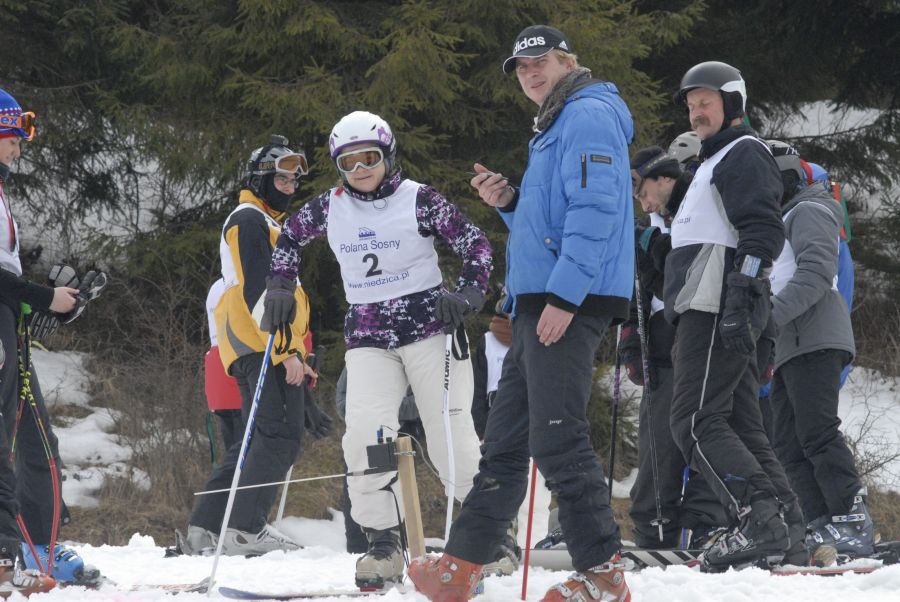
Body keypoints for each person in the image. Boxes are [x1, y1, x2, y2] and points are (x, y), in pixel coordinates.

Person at [409, 25, 635, 602]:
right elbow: (551, 224)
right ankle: (462, 565)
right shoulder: (553, 124)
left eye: (542, 63)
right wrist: (509, 202)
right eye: (522, 68)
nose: (531, 75)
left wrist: (565, 298)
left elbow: (597, 210)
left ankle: (605, 575)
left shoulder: (587, 115)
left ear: (568, 62)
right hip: (537, 300)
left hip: (564, 301)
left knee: (557, 437)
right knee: (506, 443)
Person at [265, 111, 491, 589]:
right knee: (364, 436)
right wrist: (281, 284)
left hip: (430, 327)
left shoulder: (419, 198)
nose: (360, 169)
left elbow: (476, 245)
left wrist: (469, 294)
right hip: (368, 335)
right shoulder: (330, 206)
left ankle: (485, 538)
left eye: (369, 157)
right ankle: (384, 541)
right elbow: (289, 238)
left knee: (448, 432)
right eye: (348, 162)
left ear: (387, 155)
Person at [665, 61, 806, 570]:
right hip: (711, 302)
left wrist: (742, 294)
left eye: (706, 102)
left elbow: (763, 229)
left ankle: (757, 518)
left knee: (696, 421)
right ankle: (788, 529)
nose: (696, 112)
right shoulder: (712, 159)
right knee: (743, 427)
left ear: (733, 104)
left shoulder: (743, 152)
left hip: (715, 303)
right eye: (690, 104)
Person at [179, 135, 316, 557]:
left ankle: (205, 527)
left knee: (255, 440)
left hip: (259, 341)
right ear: (260, 179)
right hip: (261, 342)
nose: (288, 188)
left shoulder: (267, 222)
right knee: (278, 436)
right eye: (281, 179)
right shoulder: (249, 219)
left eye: (294, 182)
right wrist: (286, 350)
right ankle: (244, 528)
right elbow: (261, 287)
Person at [0, 87, 96, 592]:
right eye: (12, 137)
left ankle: (35, 544)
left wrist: (44, 303)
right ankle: (14, 549)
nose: (18, 148)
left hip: (8, 325)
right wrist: (42, 296)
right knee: (13, 440)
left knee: (36, 439)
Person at [766, 141, 875, 558]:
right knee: (788, 442)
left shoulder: (809, 210)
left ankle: (851, 518)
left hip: (816, 336)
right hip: (791, 345)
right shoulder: (782, 220)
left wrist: (767, 319)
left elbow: (815, 274)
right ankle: (821, 523)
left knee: (815, 431)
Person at [624, 146, 729, 550]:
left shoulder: (700, 205)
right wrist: (631, 343)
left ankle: (706, 523)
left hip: (704, 332)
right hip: (663, 340)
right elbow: (642, 291)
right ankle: (654, 527)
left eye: (642, 188)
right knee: (660, 441)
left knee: (705, 430)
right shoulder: (648, 220)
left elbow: (693, 272)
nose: (641, 198)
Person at [204, 278, 243, 453]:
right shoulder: (242, 281)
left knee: (233, 448)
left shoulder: (217, 285)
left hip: (217, 369)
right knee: (245, 452)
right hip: (236, 364)